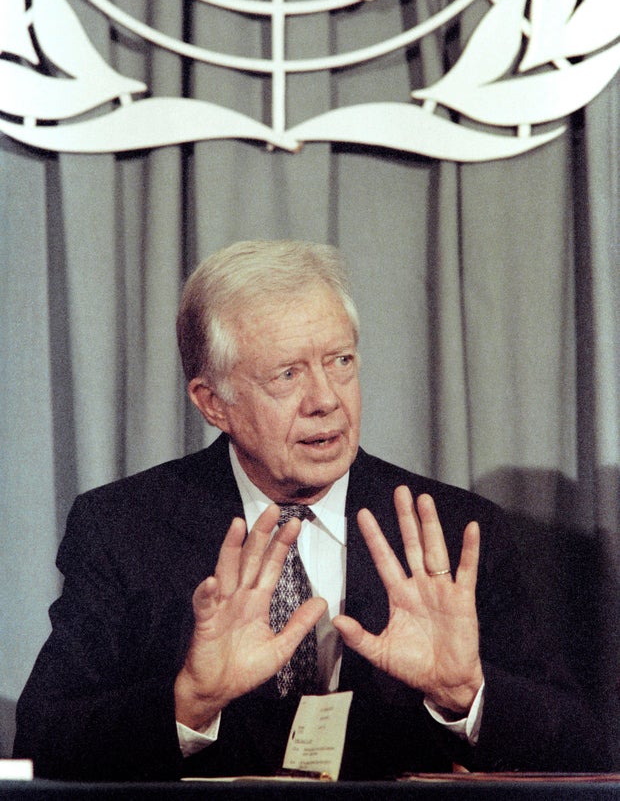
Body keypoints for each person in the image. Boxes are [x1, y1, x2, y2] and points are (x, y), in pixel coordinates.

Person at [14, 240, 607, 780]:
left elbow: (580, 753)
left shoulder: (451, 531)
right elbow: (46, 741)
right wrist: (188, 702)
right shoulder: (123, 527)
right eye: (287, 374)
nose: (325, 400)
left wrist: (465, 693)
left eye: (340, 362)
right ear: (213, 402)